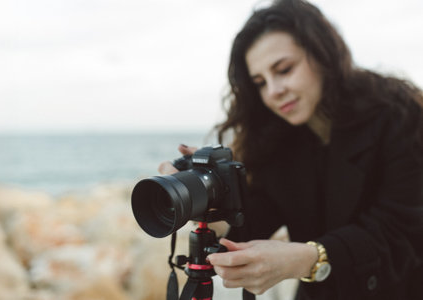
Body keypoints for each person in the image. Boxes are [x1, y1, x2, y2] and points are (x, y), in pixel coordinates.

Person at [159, 0, 423, 299]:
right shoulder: (275, 137)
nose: (273, 90)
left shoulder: (398, 114)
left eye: (284, 69)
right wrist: (217, 205)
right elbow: (256, 220)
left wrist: (307, 259)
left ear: (322, 54)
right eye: (260, 82)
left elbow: (401, 232)